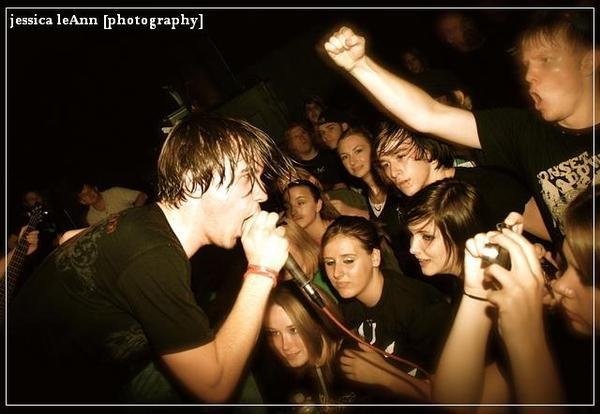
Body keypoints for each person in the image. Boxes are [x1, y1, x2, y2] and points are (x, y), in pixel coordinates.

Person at [8, 114, 295, 403]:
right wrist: (262, 271)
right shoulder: (152, 254)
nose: (261, 193)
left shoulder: (145, 225)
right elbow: (213, 388)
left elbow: (69, 237)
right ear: (193, 182)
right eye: (247, 177)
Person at [324, 11, 597, 247]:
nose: (529, 75)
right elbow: (427, 115)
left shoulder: (487, 186)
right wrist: (359, 65)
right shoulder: (523, 131)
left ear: (590, 60)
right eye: (526, 64)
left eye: (545, 60)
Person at [321, 216, 452, 401]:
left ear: (375, 257)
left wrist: (385, 376)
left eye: (348, 260)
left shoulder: (420, 307)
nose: (336, 273)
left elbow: (456, 398)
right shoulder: (349, 303)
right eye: (329, 262)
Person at [375, 122, 549, 240]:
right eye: (385, 164)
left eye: (400, 156)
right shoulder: (418, 208)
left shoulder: (487, 185)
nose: (393, 172)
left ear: (428, 151)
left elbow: (554, 234)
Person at [258, 282, 354, 406]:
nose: (285, 346)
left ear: (318, 324)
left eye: (294, 330)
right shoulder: (294, 373)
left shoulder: (354, 361)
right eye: (274, 333)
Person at [336, 126, 414, 274]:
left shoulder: (398, 184)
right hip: (410, 275)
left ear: (373, 149)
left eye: (358, 151)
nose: (352, 161)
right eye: (345, 157)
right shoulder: (365, 196)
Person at [405, 178, 487, 302]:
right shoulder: (460, 284)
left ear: (462, 234)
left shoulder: (491, 293)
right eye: (411, 234)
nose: (412, 249)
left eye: (427, 237)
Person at [283, 122, 347, 191]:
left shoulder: (330, 154)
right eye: (296, 136)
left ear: (310, 135)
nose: (302, 138)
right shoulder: (296, 170)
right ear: (291, 145)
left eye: (303, 133)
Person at [283, 179, 340, 246]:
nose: (293, 211)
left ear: (318, 205)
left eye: (300, 203)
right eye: (288, 207)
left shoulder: (341, 231)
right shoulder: (290, 243)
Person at [76, 181, 148, 226]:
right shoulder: (91, 218)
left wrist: (132, 214)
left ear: (95, 188)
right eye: (84, 195)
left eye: (89, 190)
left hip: (138, 225)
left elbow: (142, 196)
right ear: (83, 201)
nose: (89, 194)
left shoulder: (114, 192)